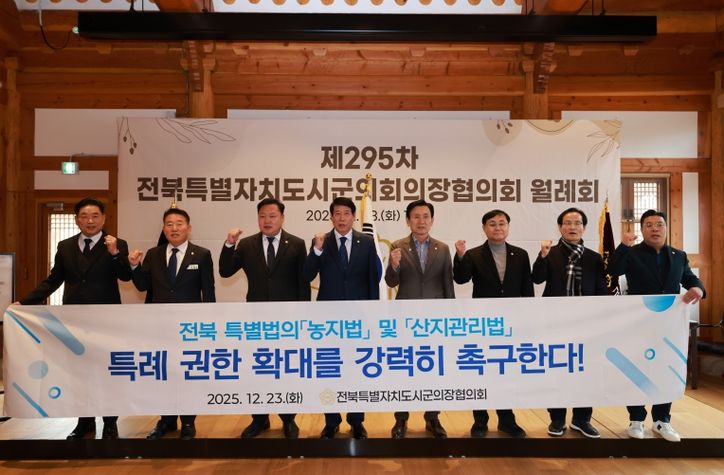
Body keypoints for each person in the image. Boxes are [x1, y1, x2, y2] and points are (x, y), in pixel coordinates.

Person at [19, 197, 132, 440]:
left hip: (106, 322)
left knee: (107, 372)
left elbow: (125, 276)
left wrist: (115, 254)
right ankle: (84, 422)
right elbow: (53, 280)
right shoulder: (65, 246)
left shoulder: (116, 243)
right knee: (80, 373)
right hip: (74, 321)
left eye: (95, 216)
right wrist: (25, 302)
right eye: (84, 216)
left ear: (104, 219)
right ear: (76, 220)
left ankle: (110, 422)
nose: (90, 221)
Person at [607, 209, 705, 442]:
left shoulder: (678, 255)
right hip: (638, 324)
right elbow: (613, 270)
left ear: (666, 228)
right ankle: (636, 419)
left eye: (659, 224)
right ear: (642, 230)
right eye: (649, 225)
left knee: (665, 369)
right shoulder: (632, 253)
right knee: (637, 369)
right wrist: (623, 246)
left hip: (668, 325)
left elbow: (689, 278)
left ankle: (662, 420)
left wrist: (698, 288)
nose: (655, 229)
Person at [219, 197, 310, 439]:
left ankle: (288, 419)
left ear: (282, 218)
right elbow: (225, 271)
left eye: (272, 216)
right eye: (262, 216)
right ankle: (259, 419)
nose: (267, 221)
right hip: (256, 320)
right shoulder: (247, 244)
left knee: (286, 370)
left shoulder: (297, 244)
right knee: (258, 369)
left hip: (288, 321)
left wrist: (302, 318)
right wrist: (229, 244)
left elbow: (303, 284)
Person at [129, 207, 215, 440]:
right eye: (169, 224)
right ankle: (166, 421)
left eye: (179, 223)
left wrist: (209, 325)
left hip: (190, 328)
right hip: (160, 326)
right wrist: (135, 266)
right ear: (164, 228)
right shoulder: (153, 254)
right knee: (163, 374)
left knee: (188, 374)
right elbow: (142, 286)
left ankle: (188, 422)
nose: (174, 228)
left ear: (188, 228)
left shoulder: (202, 255)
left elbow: (208, 293)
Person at [303, 196, 380, 439]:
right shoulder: (321, 241)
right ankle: (331, 421)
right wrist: (316, 250)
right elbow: (306, 275)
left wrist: (373, 313)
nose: (342, 218)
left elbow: (373, 279)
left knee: (356, 369)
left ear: (354, 217)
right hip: (328, 318)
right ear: (331, 217)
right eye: (337, 213)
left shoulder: (366, 242)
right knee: (330, 370)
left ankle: (356, 421)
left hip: (358, 318)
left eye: (346, 213)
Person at [453, 209, 533, 439]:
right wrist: (460, 256)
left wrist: (529, 320)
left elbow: (527, 289)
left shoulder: (521, 254)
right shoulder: (474, 254)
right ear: (484, 228)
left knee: (506, 371)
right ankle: (480, 420)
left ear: (508, 227)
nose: (497, 228)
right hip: (483, 323)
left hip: (511, 324)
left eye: (502, 223)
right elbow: (461, 279)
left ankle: (507, 420)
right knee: (481, 371)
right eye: (492, 224)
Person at [531, 207, 607, 439]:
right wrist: (542, 256)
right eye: (567, 223)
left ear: (584, 227)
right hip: (556, 323)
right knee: (557, 370)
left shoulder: (594, 257)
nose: (572, 227)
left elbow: (601, 292)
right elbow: (537, 278)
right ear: (560, 227)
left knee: (587, 371)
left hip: (587, 325)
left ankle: (582, 419)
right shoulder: (550, 253)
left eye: (577, 223)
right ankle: (557, 419)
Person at [385, 199, 454, 439]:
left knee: (433, 369)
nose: (421, 221)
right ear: (408, 220)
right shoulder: (397, 246)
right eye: (416, 216)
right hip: (405, 318)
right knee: (404, 368)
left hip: (435, 320)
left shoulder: (443, 248)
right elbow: (391, 281)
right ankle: (401, 418)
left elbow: (447, 284)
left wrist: (450, 318)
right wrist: (393, 265)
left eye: (425, 216)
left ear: (432, 220)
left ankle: (432, 418)